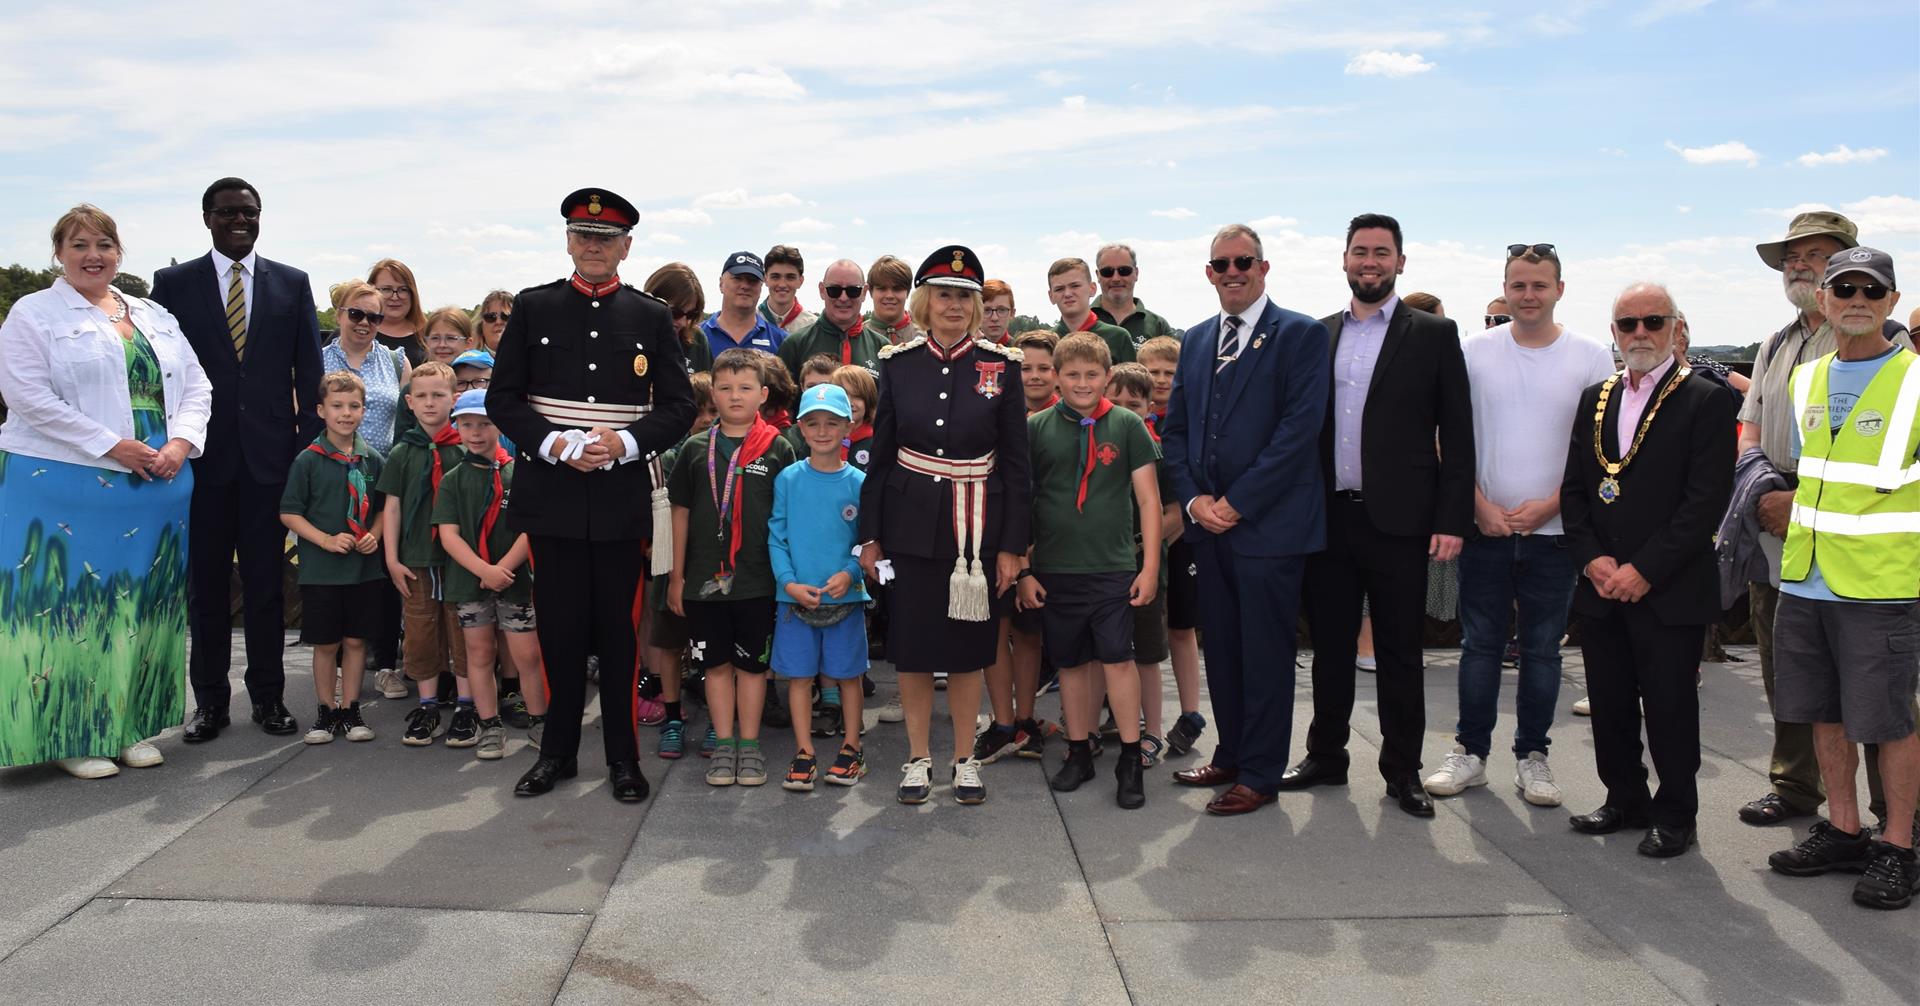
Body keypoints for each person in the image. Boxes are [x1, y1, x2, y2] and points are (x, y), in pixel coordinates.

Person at [486, 187, 695, 802]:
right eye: (584, 236)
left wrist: (624, 444)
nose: (594, 247)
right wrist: (552, 444)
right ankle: (557, 753)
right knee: (559, 632)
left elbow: (681, 406)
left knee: (619, 633)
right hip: (551, 492)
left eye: (606, 239)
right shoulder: (534, 307)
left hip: (619, 496)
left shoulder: (651, 316)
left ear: (626, 247)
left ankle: (624, 759)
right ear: (569, 241)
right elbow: (502, 399)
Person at [0, 204, 211, 777]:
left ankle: (131, 726)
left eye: (104, 244)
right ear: (59, 254)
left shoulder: (153, 314)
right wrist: (110, 445)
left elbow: (197, 385)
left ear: (119, 253)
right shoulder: (33, 312)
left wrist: (181, 441)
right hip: (66, 481)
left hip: (158, 479)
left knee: (145, 604)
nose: (93, 255)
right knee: (69, 606)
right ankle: (74, 735)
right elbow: (26, 395)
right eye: (79, 245)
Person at [1285, 214, 1473, 820]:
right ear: (1344, 260)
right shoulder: (1317, 334)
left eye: (1382, 252)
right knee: (1331, 649)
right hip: (1329, 519)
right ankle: (1326, 757)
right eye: (1360, 251)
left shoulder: (1434, 335)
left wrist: (1451, 518)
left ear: (1400, 262)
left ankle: (1403, 772)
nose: (1371, 261)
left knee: (1399, 653)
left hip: (1402, 521)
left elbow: (1459, 434)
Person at [1735, 211, 1914, 829]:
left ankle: (1895, 824)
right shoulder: (1783, 348)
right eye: (1792, 257)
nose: (1800, 266)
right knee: (1799, 682)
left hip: (1870, 559)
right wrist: (1761, 485)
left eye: (1815, 255)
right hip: (1784, 528)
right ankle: (1807, 799)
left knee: (1879, 702)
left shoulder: (1900, 359)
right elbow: (1752, 422)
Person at [1426, 253, 1614, 807]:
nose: (1528, 294)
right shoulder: (1474, 350)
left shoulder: (1589, 355)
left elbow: (1600, 451)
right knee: (1478, 647)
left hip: (1555, 535)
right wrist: (1476, 504)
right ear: (1503, 290)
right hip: (1486, 529)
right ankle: (1470, 753)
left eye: (1538, 285)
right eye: (1517, 286)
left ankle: (1534, 757)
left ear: (1560, 288)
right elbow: (1447, 436)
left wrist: (1551, 506)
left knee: (1542, 651)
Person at [1766, 248, 1920, 910]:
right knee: (1823, 715)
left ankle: (1899, 847)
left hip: (1881, 587)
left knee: (1888, 722)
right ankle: (1845, 828)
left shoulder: (1916, 379)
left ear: (1889, 301)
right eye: (1843, 287)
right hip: (1805, 580)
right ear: (1823, 301)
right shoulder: (1809, 380)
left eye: (1870, 289)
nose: (1856, 298)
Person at [1162, 223, 1330, 816]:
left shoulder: (1302, 335)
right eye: (1221, 264)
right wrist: (1194, 502)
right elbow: (1176, 429)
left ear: (1264, 267)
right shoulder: (1199, 338)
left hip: (1269, 527)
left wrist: (1238, 502)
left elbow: (1298, 432)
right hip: (1208, 528)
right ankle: (1231, 752)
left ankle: (1260, 773)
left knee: (1263, 652)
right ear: (1209, 273)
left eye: (1243, 262)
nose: (1232, 272)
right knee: (1224, 649)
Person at [1562, 281, 1735, 858]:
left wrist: (1644, 569)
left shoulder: (1707, 400)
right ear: (1613, 332)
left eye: (1653, 322)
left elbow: (1705, 501)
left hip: (1668, 588)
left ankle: (1676, 813)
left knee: (1669, 707)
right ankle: (1625, 798)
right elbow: (1576, 490)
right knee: (1609, 703)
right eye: (1628, 324)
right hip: (1602, 584)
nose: (1641, 334)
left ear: (1676, 329)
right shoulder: (1595, 397)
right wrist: (1592, 560)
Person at [858, 245, 1030, 806]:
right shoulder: (898, 363)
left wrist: (1012, 548)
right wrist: (870, 535)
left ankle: (962, 758)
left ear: (977, 305)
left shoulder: (1002, 365)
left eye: (965, 296)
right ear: (925, 302)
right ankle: (916, 758)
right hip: (910, 527)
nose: (954, 304)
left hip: (977, 529)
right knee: (911, 648)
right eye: (944, 294)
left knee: (966, 648)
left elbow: (1018, 465)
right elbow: (881, 459)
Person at [152, 177, 321, 743]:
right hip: (201, 459)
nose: (240, 221)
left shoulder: (292, 284)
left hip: (271, 462)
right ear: (208, 218)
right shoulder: (173, 284)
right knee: (205, 588)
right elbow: (161, 373)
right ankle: (211, 705)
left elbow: (310, 374)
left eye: (249, 212)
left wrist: (303, 453)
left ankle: (269, 699)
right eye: (228, 212)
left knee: (268, 586)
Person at [1026, 333, 1161, 807]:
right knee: (1070, 664)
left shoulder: (1127, 425)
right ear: (1057, 378)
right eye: (1072, 375)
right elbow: (1024, 502)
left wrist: (1149, 567)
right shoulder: (1037, 426)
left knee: (1118, 661)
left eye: (1092, 375)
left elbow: (1148, 499)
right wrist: (1025, 568)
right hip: (1057, 567)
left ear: (1107, 376)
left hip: (1113, 566)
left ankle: (1128, 757)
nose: (1082, 383)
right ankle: (1078, 751)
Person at [667, 349, 798, 787]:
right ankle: (723, 745)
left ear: (763, 394)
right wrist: (676, 576)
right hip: (703, 579)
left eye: (745, 388)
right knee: (715, 666)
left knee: (753, 668)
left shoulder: (779, 448)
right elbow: (680, 514)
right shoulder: (694, 448)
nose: (734, 396)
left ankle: (749, 745)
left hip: (758, 580)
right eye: (724, 388)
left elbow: (787, 519)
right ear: (712, 394)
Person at [771, 383, 871, 791]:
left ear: (849, 425)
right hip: (795, 600)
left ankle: (851, 747)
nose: (823, 431)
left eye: (832, 423)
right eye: (813, 423)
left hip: (845, 598)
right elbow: (776, 536)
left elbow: (867, 540)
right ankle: (804, 751)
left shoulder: (861, 481)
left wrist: (851, 572)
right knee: (799, 677)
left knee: (848, 676)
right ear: (800, 428)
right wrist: (788, 583)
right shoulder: (788, 479)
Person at [279, 371, 387, 746]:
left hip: (363, 569)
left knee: (356, 641)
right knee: (326, 644)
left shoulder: (372, 459)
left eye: (354, 406)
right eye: (337, 406)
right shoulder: (308, 460)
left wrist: (375, 534)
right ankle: (325, 711)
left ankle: (351, 708)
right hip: (322, 570)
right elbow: (290, 513)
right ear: (321, 411)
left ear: (363, 409)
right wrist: (324, 540)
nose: (346, 413)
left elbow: (386, 507)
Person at [434, 390, 543, 761]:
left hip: (515, 581)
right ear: (457, 428)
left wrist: (504, 569)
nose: (476, 432)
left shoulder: (521, 473)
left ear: (500, 425)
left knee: (527, 655)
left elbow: (532, 530)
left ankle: (540, 721)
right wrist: (483, 570)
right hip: (470, 581)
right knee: (479, 653)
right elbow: (448, 535)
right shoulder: (452, 479)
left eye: (484, 423)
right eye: (467, 425)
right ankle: (489, 724)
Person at [373, 361, 473, 738]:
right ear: (410, 402)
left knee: (462, 631)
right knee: (419, 632)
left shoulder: (465, 448)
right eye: (422, 396)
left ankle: (466, 705)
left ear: (453, 399)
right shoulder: (402, 452)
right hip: (415, 560)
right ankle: (428, 705)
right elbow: (392, 507)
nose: (430, 403)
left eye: (439, 395)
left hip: (459, 560)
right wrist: (392, 559)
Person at [1138, 335, 1206, 757]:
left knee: (1181, 626)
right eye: (1153, 372)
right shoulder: (1128, 417)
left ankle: (1190, 713)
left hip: (1183, 538)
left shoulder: (1191, 417)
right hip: (1138, 542)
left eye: (1170, 372)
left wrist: (1178, 518)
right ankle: (1136, 717)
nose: (1161, 380)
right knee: (1136, 635)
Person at [648, 371, 718, 761]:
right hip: (670, 569)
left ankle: (714, 717)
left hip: (710, 571)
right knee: (672, 647)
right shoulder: (666, 457)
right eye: (698, 411)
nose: (707, 419)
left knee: (711, 651)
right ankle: (673, 717)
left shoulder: (720, 452)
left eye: (712, 410)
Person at [321, 281, 409, 456]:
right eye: (355, 314)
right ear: (339, 315)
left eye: (373, 318)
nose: (364, 322)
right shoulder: (317, 361)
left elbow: (409, 422)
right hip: (328, 471)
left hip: (384, 475)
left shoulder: (397, 362)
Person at [776, 259, 888, 381]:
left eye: (853, 291)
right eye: (834, 290)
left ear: (864, 292)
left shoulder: (882, 348)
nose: (843, 298)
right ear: (822, 290)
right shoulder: (795, 345)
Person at [700, 252, 786, 364]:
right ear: (721, 284)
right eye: (737, 278)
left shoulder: (781, 341)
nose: (745, 286)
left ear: (761, 287)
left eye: (752, 280)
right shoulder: (695, 337)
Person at [1048, 258, 1135, 365]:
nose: (1067, 294)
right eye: (1059, 289)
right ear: (1051, 296)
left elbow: (1132, 381)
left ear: (1092, 289)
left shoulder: (1118, 337)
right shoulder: (1047, 342)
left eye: (1075, 286)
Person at [1092, 242, 1180, 349]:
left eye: (1124, 271)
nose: (1116, 278)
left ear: (1136, 273)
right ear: (1098, 275)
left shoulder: (1158, 326)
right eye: (1107, 272)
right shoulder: (1081, 320)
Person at [642, 262, 709, 375]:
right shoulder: (628, 335)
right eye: (675, 313)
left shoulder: (697, 339)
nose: (682, 323)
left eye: (691, 315)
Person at [369, 258, 427, 368]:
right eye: (386, 289)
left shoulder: (431, 334)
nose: (395, 297)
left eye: (403, 290)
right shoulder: (353, 332)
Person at [760, 244, 817, 334]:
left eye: (790, 277)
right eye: (775, 277)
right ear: (765, 279)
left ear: (801, 281)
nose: (782, 284)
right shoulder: (750, 321)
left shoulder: (813, 327)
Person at [865, 255, 919, 345]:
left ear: (908, 292)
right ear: (871, 292)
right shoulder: (856, 339)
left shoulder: (924, 337)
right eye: (882, 288)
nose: (889, 296)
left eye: (897, 289)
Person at [1017, 330, 1061, 414]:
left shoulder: (1070, 419)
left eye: (1044, 369)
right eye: (1026, 369)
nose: (1035, 376)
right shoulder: (1002, 416)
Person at [981, 279, 1017, 346]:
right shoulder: (966, 353)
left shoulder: (1022, 354)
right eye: (986, 310)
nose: (994, 318)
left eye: (1002, 310)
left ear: (1012, 313)